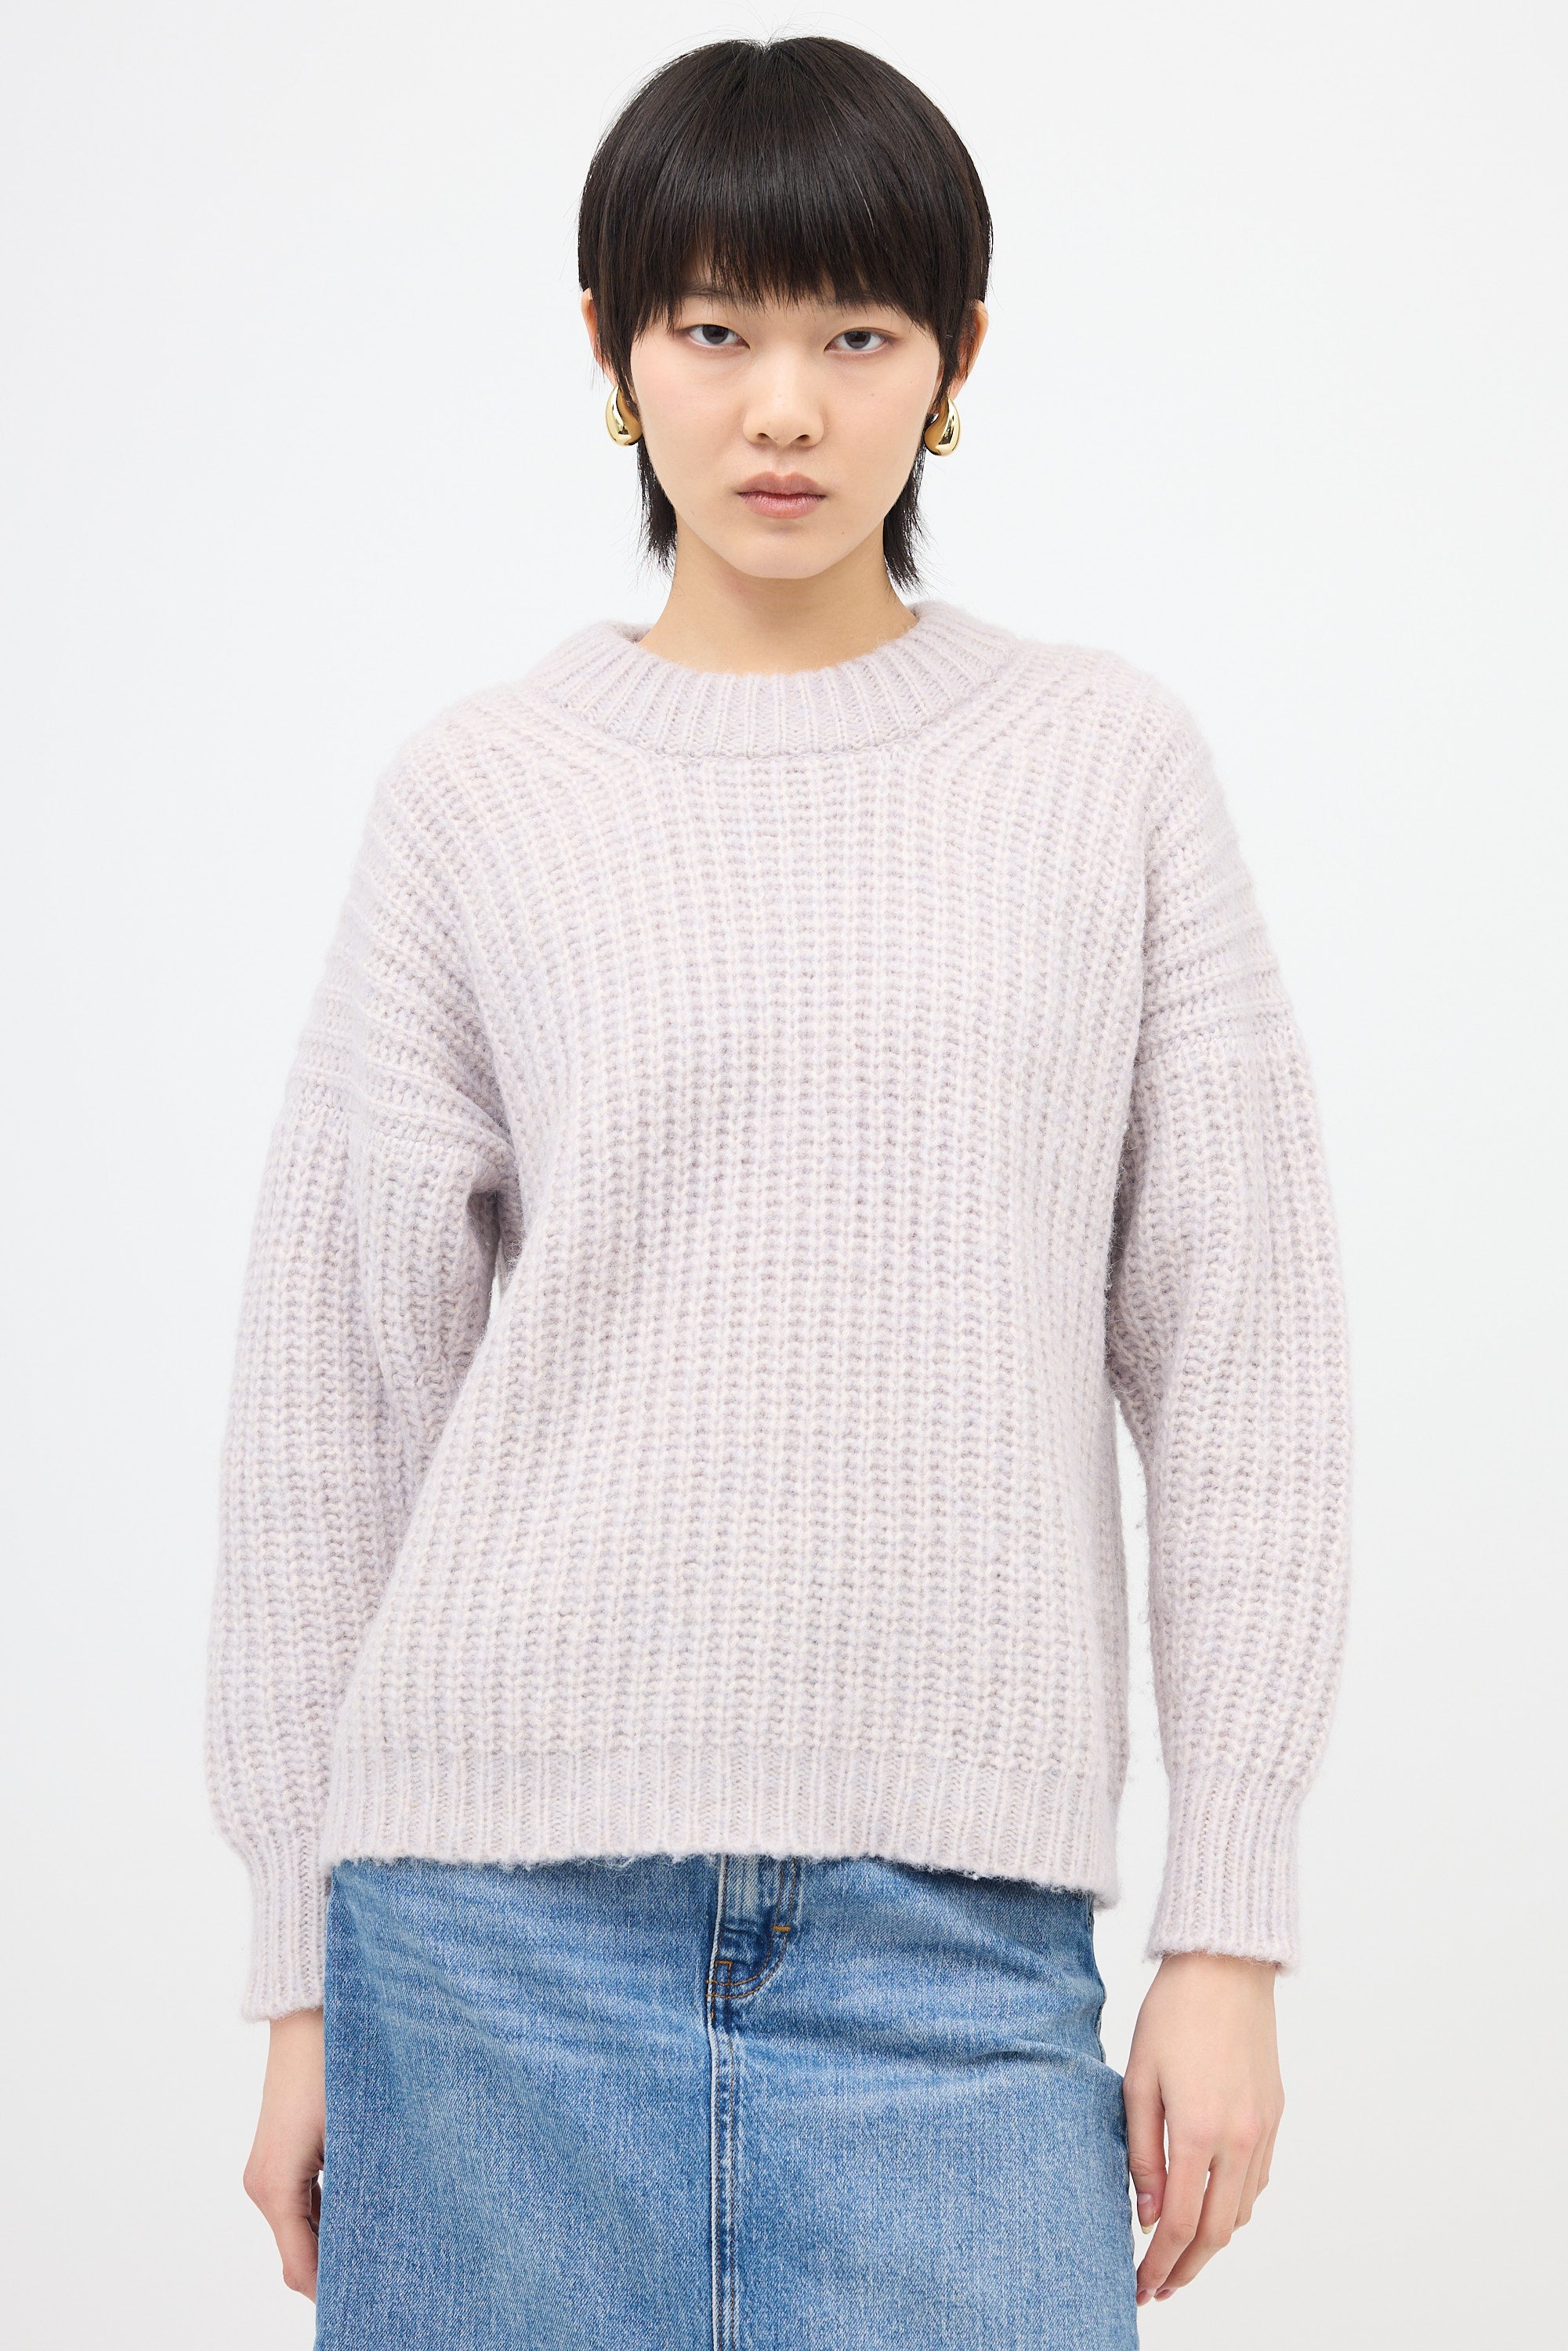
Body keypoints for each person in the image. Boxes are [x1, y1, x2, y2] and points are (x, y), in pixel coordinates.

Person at [206, 34, 1352, 2350]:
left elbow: (1244, 1362)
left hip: (957, 1946)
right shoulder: (482, 796)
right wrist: (297, 1973)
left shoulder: (1103, 770)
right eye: (714, 329)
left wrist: (1225, 1930)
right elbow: (332, 1406)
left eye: (858, 334)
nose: (784, 411)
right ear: (612, 350)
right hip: (486, 1947)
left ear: (958, 362)